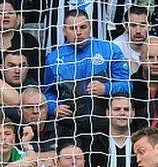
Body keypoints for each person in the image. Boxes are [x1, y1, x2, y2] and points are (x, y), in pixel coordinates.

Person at [44, 9, 131, 143]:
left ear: (90, 27)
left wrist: (106, 88)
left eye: (83, 27)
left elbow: (128, 86)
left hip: (106, 126)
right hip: (69, 128)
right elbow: (47, 93)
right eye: (73, 28)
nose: (78, 32)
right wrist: (53, 107)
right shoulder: (53, 58)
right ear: (64, 31)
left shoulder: (110, 50)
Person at [113, 5, 149, 74]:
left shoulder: (157, 45)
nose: (138, 31)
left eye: (142, 25)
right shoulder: (116, 47)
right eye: (133, 25)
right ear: (126, 27)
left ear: (150, 26)